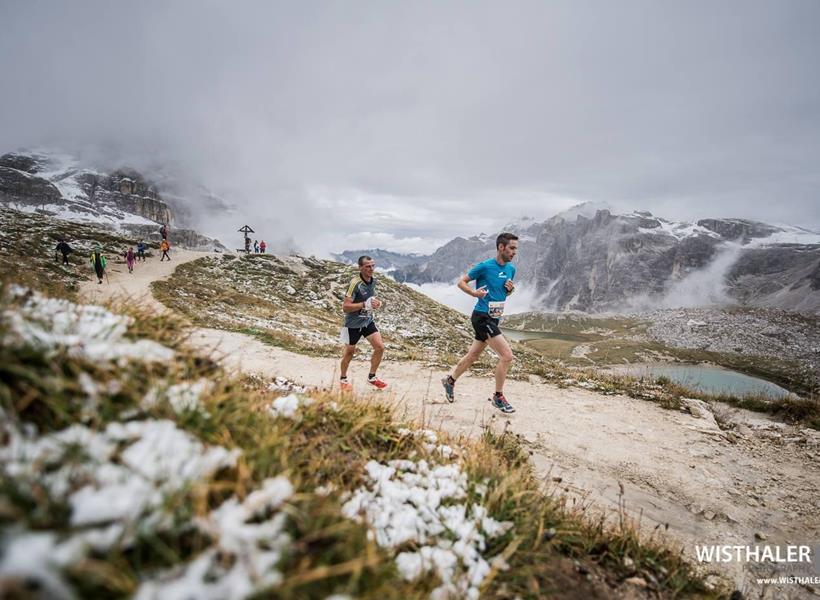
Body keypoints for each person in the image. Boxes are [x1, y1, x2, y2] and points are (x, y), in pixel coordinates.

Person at [441, 232, 519, 413]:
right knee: (507, 356)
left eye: (516, 249)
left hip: (494, 318)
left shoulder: (510, 269)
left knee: (473, 356)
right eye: (512, 248)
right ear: (501, 247)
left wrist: (510, 290)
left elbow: (504, 292)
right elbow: (461, 282)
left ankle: (450, 381)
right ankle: (498, 397)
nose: (515, 252)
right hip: (482, 317)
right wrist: (474, 294)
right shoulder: (485, 266)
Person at [339, 255, 387, 391]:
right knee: (349, 353)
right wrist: (363, 305)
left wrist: (376, 303)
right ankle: (343, 378)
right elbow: (345, 307)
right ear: (360, 268)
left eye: (373, 266)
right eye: (367, 266)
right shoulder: (355, 283)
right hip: (353, 324)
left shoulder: (373, 281)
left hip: (367, 321)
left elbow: (370, 299)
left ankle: (372, 377)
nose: (371, 269)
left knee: (380, 347)